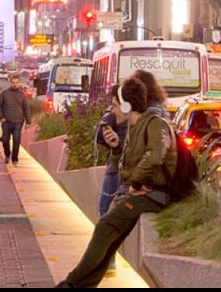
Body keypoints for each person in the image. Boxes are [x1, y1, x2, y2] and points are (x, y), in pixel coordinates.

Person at [56, 77, 177, 288]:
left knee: (105, 226)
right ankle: (81, 284)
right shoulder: (136, 128)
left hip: (154, 194)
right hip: (144, 193)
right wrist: (116, 147)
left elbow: (155, 156)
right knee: (110, 238)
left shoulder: (156, 124)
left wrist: (136, 184)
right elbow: (126, 169)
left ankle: (71, 283)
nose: (113, 112)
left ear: (127, 105)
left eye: (114, 106)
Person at [95, 93, 129, 274]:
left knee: (105, 213)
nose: (113, 110)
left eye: (115, 106)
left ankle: (107, 259)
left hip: (118, 172)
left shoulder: (134, 120)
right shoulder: (148, 115)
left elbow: (98, 136)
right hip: (119, 169)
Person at [0, 74, 31, 166]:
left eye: (16, 82)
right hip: (6, 121)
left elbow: (26, 108)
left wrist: (28, 121)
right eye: (13, 82)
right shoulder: (4, 93)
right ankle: (7, 154)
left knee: (16, 140)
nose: (15, 84)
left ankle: (15, 159)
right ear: (10, 83)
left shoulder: (22, 95)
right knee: (5, 140)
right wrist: (1, 117)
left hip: (18, 121)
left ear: (19, 83)